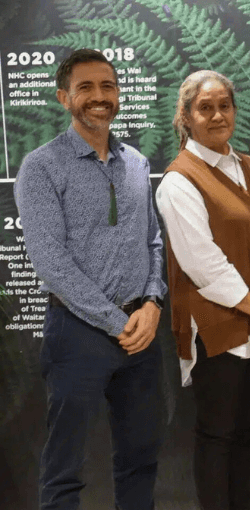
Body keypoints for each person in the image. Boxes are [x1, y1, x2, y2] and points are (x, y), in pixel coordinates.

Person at [15, 48, 167, 510]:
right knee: (65, 469)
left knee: (140, 460)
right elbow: (50, 262)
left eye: (108, 86)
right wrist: (114, 321)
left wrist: (153, 304)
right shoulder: (41, 167)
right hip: (77, 334)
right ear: (65, 98)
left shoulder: (137, 163)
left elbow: (153, 241)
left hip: (142, 334)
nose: (99, 97)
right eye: (86, 87)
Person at [155, 70, 250, 510]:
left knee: (245, 433)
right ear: (186, 117)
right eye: (205, 108)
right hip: (217, 330)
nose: (217, 115)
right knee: (217, 436)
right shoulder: (179, 180)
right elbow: (203, 263)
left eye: (225, 106)